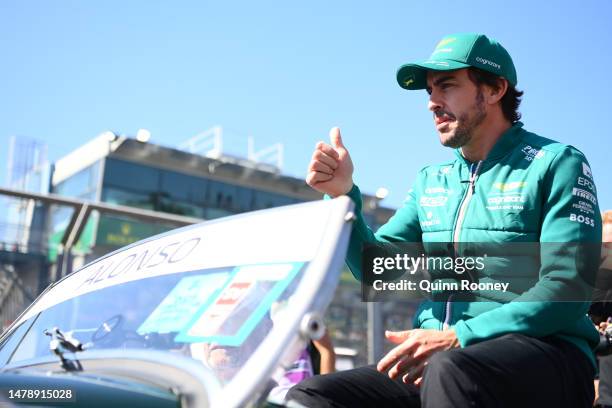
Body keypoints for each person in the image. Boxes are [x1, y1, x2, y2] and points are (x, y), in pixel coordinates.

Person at [287, 33, 603, 407]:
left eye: (447, 86)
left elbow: (569, 287)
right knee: (313, 395)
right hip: (444, 360)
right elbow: (377, 270)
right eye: (430, 92)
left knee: (450, 369)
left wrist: (460, 335)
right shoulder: (430, 181)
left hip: (549, 357)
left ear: (495, 89)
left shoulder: (555, 162)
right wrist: (343, 196)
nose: (432, 103)